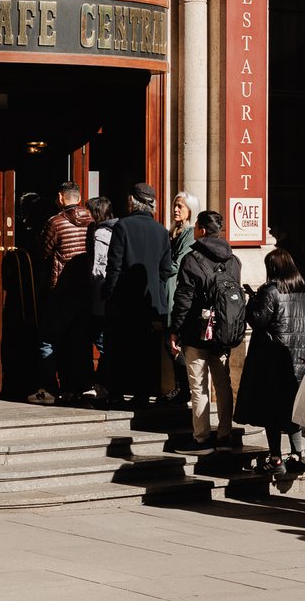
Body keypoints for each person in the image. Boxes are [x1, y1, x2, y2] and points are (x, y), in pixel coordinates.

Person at [169, 210, 246, 448]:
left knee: (198, 386)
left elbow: (183, 300)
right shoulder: (233, 260)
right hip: (224, 331)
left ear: (201, 230)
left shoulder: (191, 260)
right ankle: (224, 432)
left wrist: (175, 330)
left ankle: (201, 436)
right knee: (223, 384)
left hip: (196, 331)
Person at [235, 247, 305, 474]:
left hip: (272, 358)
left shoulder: (271, 290)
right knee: (291, 409)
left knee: (271, 411)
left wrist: (250, 302)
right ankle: (297, 456)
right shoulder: (299, 291)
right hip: (296, 357)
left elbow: (258, 320)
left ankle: (275, 458)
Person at [102, 184, 172, 405]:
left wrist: (110, 294)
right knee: (145, 350)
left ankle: (117, 393)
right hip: (150, 301)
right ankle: (142, 393)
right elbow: (166, 269)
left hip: (124, 299)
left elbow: (114, 265)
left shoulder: (123, 226)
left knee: (119, 347)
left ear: (133, 201)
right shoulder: (161, 231)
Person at [27, 181, 94, 404]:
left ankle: (48, 389)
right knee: (80, 340)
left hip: (61, 289)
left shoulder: (55, 222)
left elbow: (43, 251)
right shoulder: (92, 221)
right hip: (85, 287)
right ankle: (80, 387)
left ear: (60, 197)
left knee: (48, 340)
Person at [164, 192, 199, 402]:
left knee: (174, 343)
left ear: (190, 211)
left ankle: (183, 388)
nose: (176, 209)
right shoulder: (174, 231)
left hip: (177, 291)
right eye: (175, 205)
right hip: (169, 289)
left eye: (181, 206)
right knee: (170, 342)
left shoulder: (188, 233)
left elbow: (179, 263)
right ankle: (180, 386)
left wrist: (157, 265)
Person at [87, 194, 116, 364]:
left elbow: (98, 265)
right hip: (112, 289)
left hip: (101, 291)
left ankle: (110, 371)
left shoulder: (100, 234)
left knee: (98, 334)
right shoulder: (118, 228)